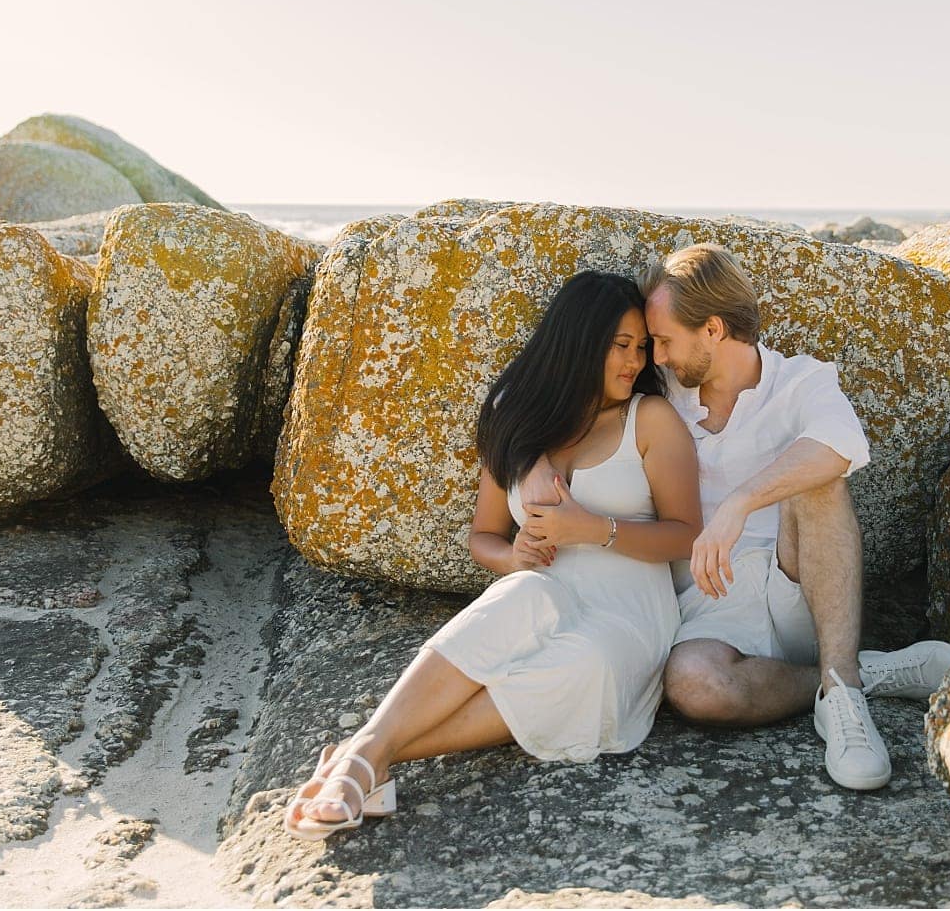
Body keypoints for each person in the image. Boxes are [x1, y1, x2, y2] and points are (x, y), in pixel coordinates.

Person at [522, 243, 950, 791]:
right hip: (707, 606)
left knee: (819, 477)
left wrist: (740, 503)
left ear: (711, 330)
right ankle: (853, 675)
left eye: (663, 340)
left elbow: (841, 444)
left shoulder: (801, 381)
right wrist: (534, 459)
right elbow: (539, 400)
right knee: (694, 687)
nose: (652, 357)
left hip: (797, 587)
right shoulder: (662, 391)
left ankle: (844, 695)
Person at [283, 270, 702, 840]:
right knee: (525, 595)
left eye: (642, 348)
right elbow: (483, 535)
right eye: (620, 346)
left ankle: (361, 756)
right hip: (541, 589)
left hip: (627, 612)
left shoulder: (649, 419)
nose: (635, 362)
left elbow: (687, 534)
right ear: (579, 342)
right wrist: (513, 559)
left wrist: (592, 528)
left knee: (587, 665)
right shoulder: (519, 424)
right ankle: (367, 758)